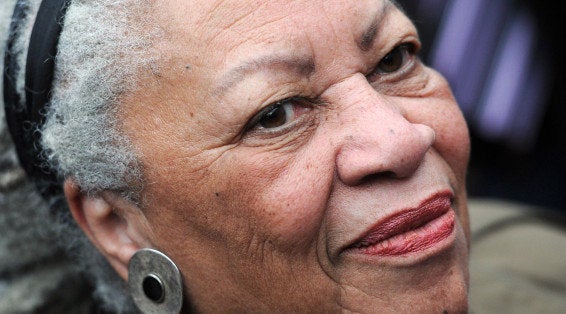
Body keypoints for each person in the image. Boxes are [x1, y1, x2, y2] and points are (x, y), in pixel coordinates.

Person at [1, 0, 471, 312]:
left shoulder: (539, 262)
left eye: (394, 59)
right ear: (121, 225)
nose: (402, 139)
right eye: (275, 114)